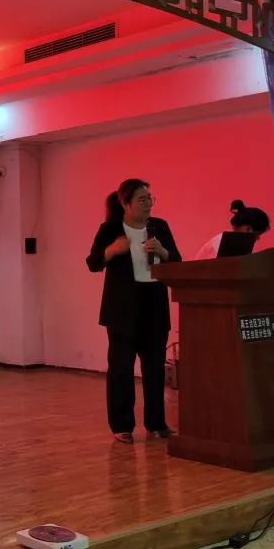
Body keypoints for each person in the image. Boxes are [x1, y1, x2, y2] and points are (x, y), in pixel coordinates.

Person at [86, 178, 182, 444]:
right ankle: (122, 425)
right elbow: (93, 263)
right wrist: (112, 250)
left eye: (150, 198)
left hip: (154, 303)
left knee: (154, 369)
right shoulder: (111, 229)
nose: (148, 204)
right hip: (122, 307)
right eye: (142, 199)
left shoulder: (159, 226)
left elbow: (177, 261)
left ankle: (156, 423)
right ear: (125, 203)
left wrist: (163, 251)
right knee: (121, 369)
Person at [195, 200, 271, 260]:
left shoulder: (233, 242)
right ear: (247, 228)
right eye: (257, 234)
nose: (258, 238)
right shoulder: (223, 242)